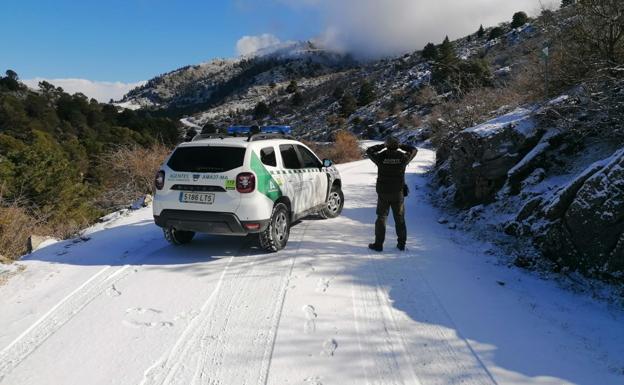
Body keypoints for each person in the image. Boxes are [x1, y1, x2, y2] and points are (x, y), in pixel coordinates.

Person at [366, 136, 418, 252]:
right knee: (399, 219)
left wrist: (382, 146)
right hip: (398, 192)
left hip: (383, 192)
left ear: (387, 145)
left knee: (381, 218)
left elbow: (369, 151)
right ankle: (401, 245)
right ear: (396, 145)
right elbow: (414, 150)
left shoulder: (381, 157)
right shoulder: (402, 157)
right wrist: (401, 146)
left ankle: (378, 245)